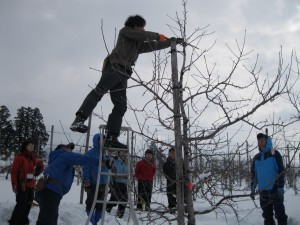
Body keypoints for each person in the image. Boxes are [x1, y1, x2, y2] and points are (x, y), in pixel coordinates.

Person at [70, 14, 183, 148]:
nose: (143, 29)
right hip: (114, 67)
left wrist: (170, 42)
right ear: (135, 26)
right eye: (142, 27)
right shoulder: (125, 32)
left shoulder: (138, 44)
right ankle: (79, 120)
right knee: (99, 91)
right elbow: (144, 36)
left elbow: (153, 45)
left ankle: (111, 137)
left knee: (121, 106)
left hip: (123, 74)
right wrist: (158, 35)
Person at [35, 143, 99, 225]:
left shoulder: (55, 157)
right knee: (47, 220)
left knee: (50, 218)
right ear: (62, 149)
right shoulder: (65, 155)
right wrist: (100, 161)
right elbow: (82, 158)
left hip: (47, 189)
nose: (70, 150)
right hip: (52, 191)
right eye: (68, 148)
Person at [251, 133, 288, 225]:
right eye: (259, 140)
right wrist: (252, 188)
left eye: (263, 140)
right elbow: (254, 175)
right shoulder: (256, 158)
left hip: (275, 190)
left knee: (280, 215)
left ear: (267, 141)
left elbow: (280, 171)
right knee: (267, 217)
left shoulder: (275, 154)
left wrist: (280, 186)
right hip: (263, 191)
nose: (261, 142)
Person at [8, 139, 44, 225]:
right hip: (22, 185)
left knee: (28, 205)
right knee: (21, 205)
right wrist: (14, 185)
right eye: (30, 144)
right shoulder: (19, 158)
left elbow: (35, 172)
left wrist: (40, 165)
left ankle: (24, 222)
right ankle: (14, 222)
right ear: (25, 146)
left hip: (31, 185)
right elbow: (14, 172)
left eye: (33, 145)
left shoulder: (32, 158)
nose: (32, 146)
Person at [82, 133, 110, 225]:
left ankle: (97, 221)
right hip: (93, 183)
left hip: (103, 183)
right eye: (100, 139)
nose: (103, 141)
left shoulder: (106, 153)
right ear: (96, 140)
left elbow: (109, 168)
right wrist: (86, 181)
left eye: (104, 139)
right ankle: (91, 221)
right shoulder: (90, 153)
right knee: (91, 203)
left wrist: (111, 181)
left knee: (100, 205)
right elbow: (85, 167)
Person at [106, 151, 128, 218]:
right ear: (119, 153)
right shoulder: (114, 160)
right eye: (122, 152)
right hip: (116, 182)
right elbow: (111, 169)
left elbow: (127, 171)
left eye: (125, 152)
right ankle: (106, 210)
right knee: (114, 198)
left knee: (124, 199)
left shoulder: (126, 161)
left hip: (123, 182)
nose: (124, 153)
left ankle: (120, 214)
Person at [163, 147, 177, 211]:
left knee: (179, 195)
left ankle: (181, 208)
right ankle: (171, 208)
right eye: (171, 153)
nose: (173, 154)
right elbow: (164, 172)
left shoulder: (179, 162)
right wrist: (170, 178)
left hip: (179, 182)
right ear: (169, 154)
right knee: (170, 194)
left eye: (174, 153)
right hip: (170, 182)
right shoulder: (166, 163)